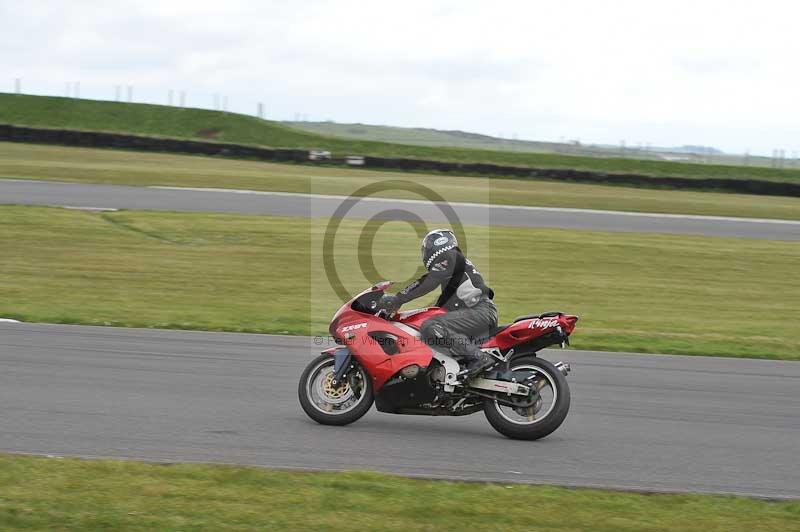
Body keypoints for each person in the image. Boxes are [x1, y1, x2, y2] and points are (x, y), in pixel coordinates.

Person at [379, 229, 497, 377]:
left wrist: (397, 299)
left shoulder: (450, 257)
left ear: (437, 245)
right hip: (477, 312)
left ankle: (479, 358)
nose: (425, 253)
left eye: (427, 248)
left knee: (431, 326)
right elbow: (440, 305)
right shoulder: (454, 266)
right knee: (430, 324)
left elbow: (428, 282)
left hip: (480, 311)